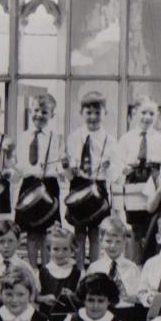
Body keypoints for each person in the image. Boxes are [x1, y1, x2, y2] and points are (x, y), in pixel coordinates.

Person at [14, 93, 66, 267]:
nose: (39, 115)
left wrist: (61, 168)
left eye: (44, 112)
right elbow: (19, 164)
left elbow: (60, 164)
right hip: (29, 184)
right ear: (30, 112)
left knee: (46, 231)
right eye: (36, 110)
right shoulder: (23, 137)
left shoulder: (57, 137)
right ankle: (32, 267)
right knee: (31, 232)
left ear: (51, 115)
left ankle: (45, 267)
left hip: (49, 185)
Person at [64, 91, 114, 264]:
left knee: (95, 233)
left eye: (97, 112)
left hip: (98, 185)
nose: (93, 117)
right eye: (89, 112)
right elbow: (68, 171)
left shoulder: (110, 140)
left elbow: (114, 171)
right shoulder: (73, 137)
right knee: (79, 232)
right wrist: (68, 167)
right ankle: (78, 269)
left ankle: (93, 267)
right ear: (81, 113)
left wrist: (109, 167)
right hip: (78, 185)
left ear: (104, 113)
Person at [114, 97, 161, 259]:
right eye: (143, 113)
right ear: (135, 114)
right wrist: (125, 168)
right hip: (134, 182)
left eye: (151, 114)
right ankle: (135, 262)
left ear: (156, 117)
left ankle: (150, 261)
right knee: (135, 228)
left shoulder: (160, 139)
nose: (147, 117)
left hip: (153, 183)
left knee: (152, 226)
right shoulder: (127, 138)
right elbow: (117, 161)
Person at [87, 215, 142, 308]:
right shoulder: (94, 268)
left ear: (124, 241)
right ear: (100, 240)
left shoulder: (132, 268)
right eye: (108, 241)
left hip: (127, 313)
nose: (113, 246)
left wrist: (134, 297)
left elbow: (139, 295)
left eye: (118, 241)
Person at [0, 219, 36, 307]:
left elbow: (33, 291)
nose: (6, 246)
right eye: (1, 241)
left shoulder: (25, 266)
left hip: (19, 307)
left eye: (10, 241)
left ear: (18, 242)